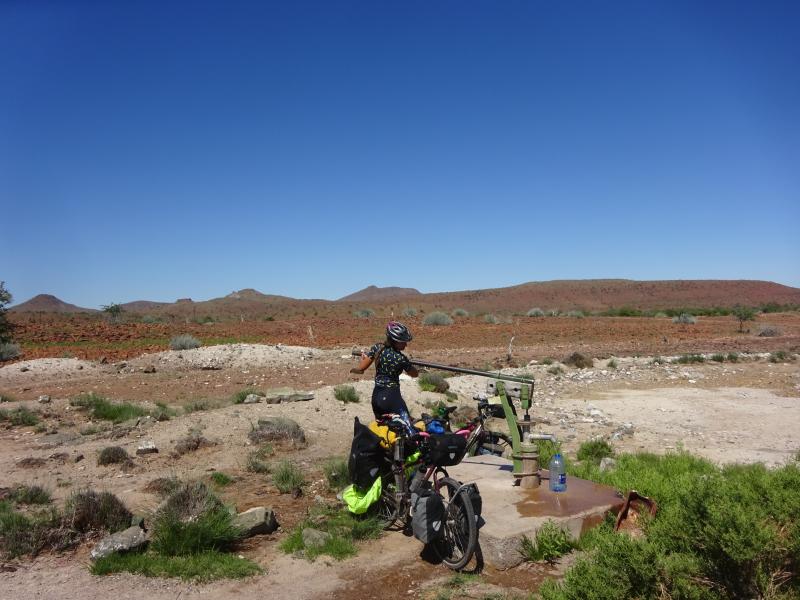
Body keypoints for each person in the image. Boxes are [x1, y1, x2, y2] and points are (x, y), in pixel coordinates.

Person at [350, 321, 419, 423]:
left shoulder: (377, 348)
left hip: (376, 397)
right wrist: (409, 364)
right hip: (392, 397)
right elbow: (415, 374)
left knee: (382, 429)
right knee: (407, 428)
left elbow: (360, 369)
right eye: (403, 341)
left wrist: (365, 359)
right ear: (394, 340)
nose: (406, 344)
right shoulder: (401, 358)